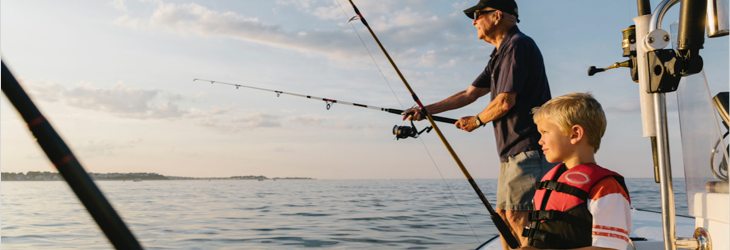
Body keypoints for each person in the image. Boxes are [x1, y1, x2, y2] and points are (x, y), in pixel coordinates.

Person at [403, 0, 555, 248]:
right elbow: (468, 94)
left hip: (528, 147)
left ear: (496, 16)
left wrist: (476, 121)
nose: (473, 22)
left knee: (520, 217)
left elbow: (505, 101)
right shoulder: (499, 55)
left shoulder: (518, 45)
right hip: (511, 153)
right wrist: (425, 111)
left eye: (477, 15)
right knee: (506, 218)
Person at [517, 92, 632, 250]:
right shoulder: (548, 182)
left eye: (544, 132)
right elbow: (534, 234)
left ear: (575, 134)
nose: (540, 140)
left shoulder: (606, 188)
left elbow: (610, 248)